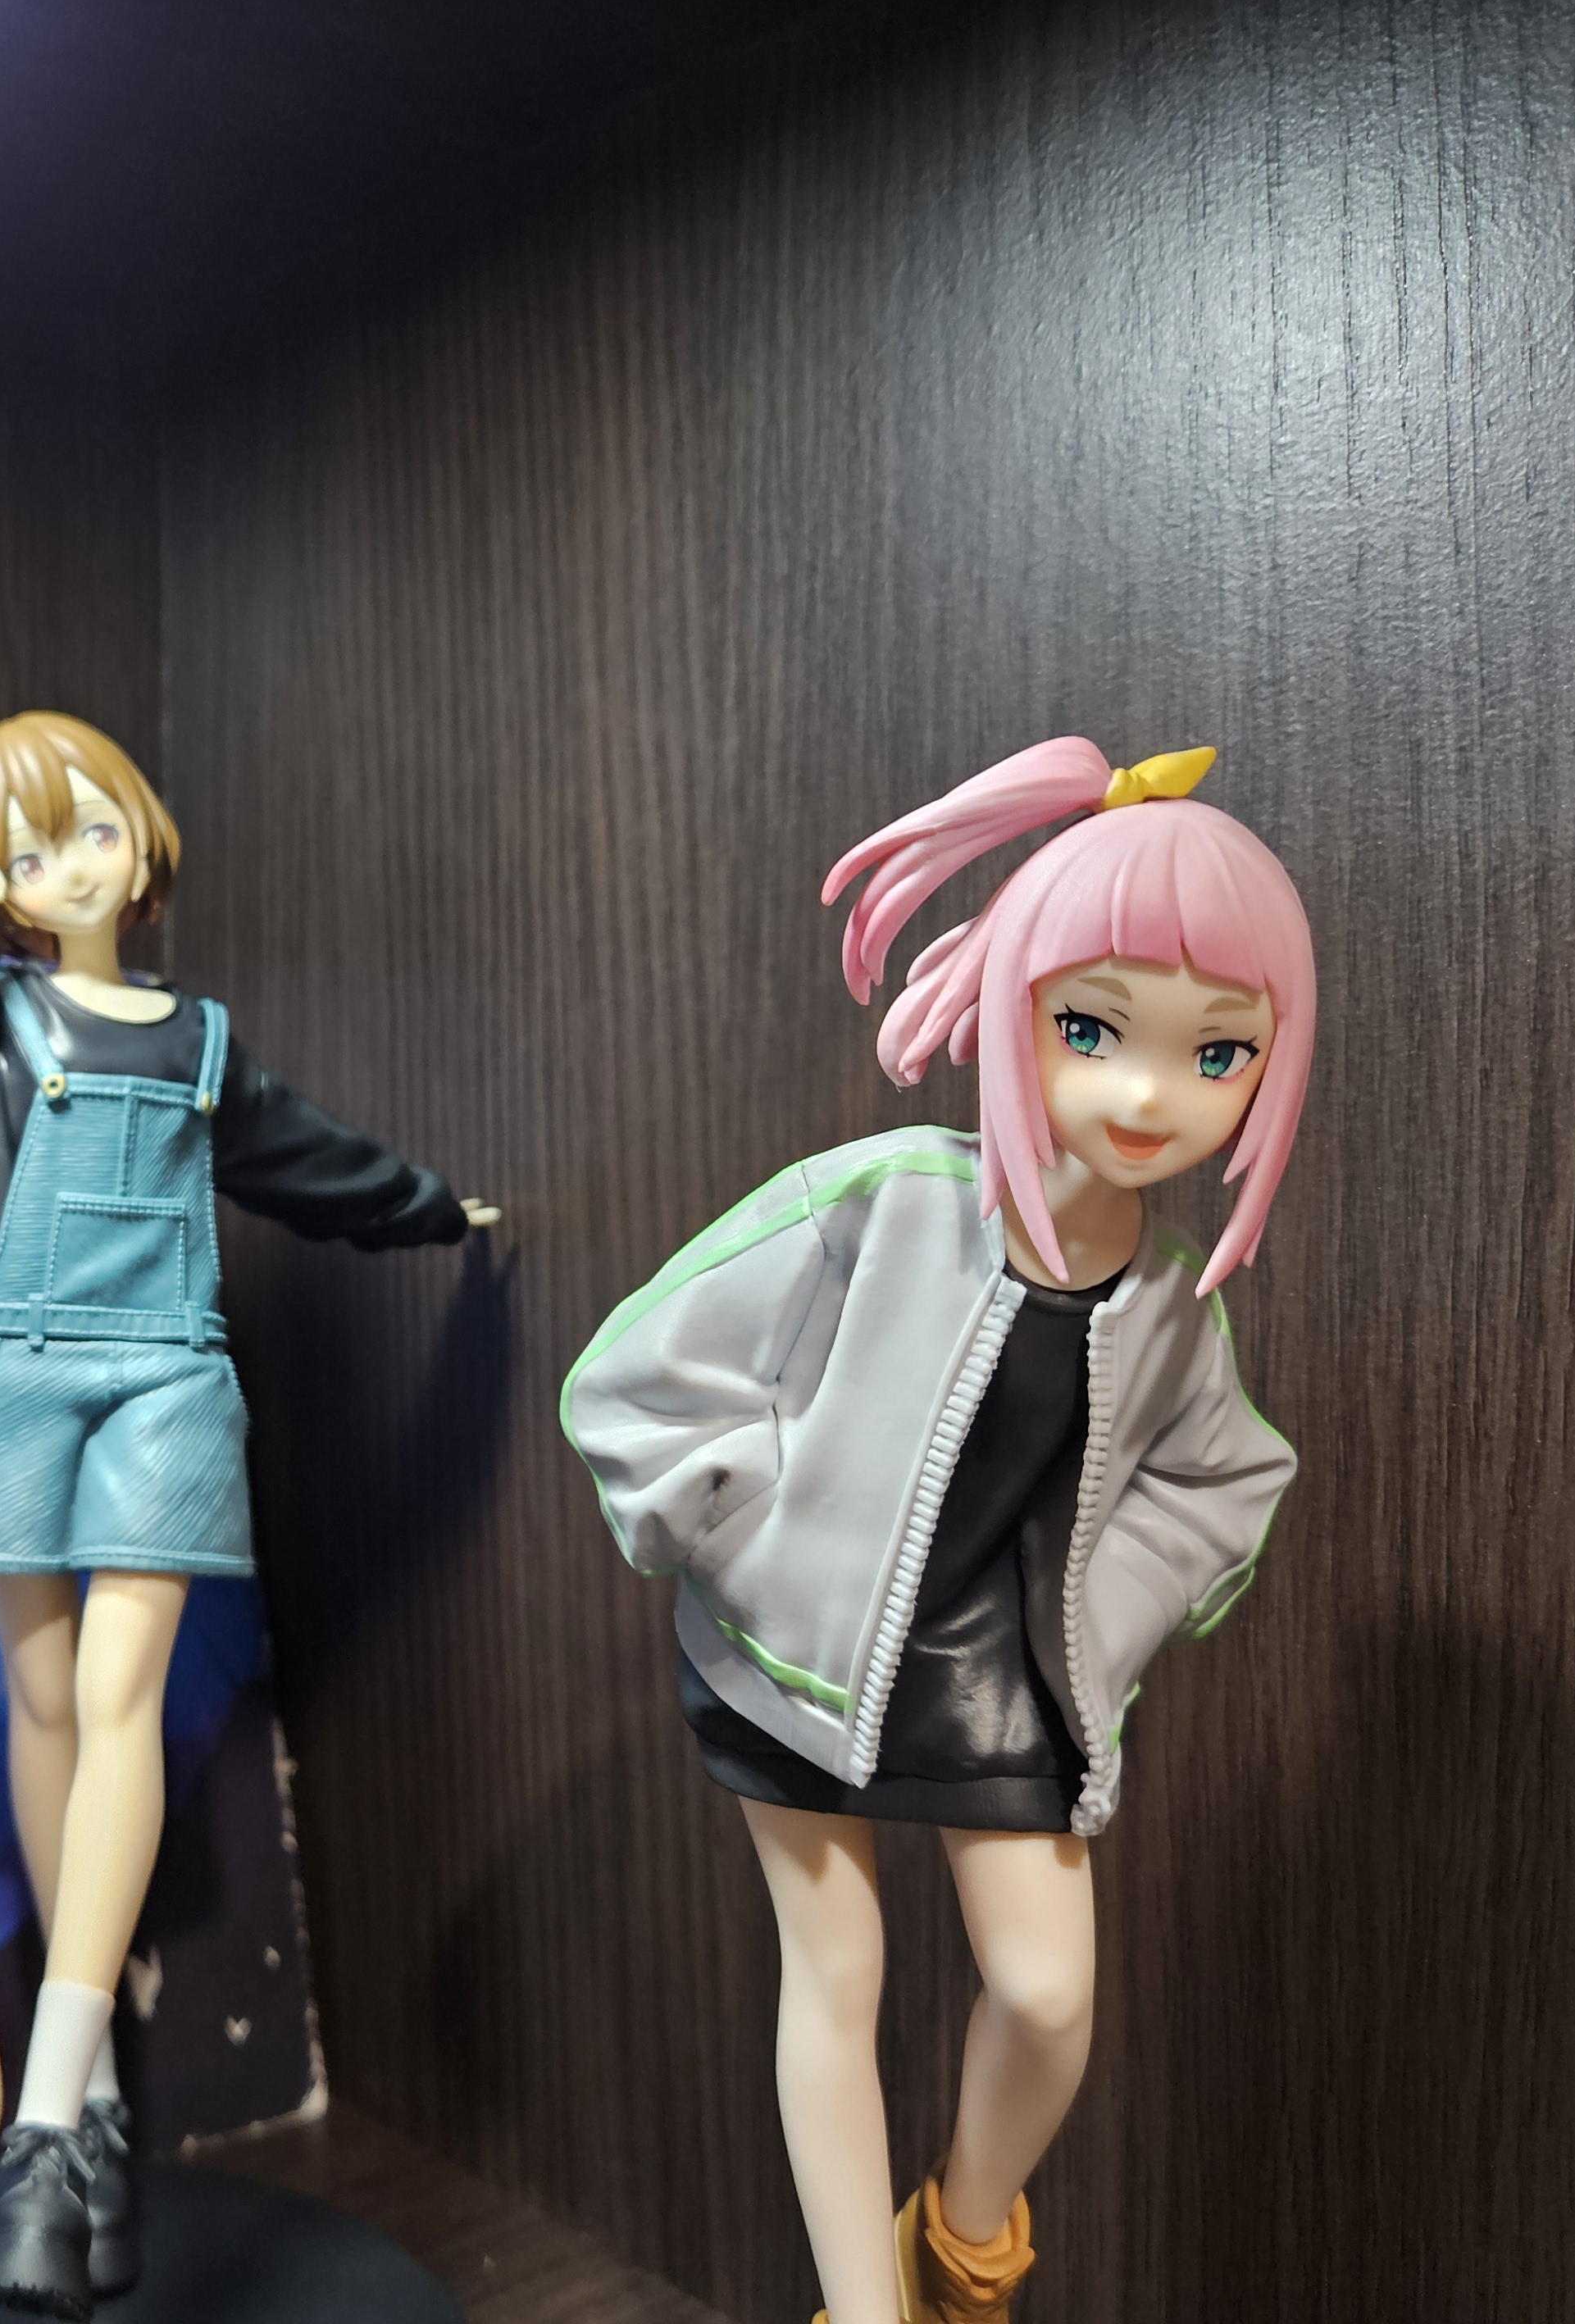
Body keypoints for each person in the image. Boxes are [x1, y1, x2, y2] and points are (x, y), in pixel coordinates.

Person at [563, 739, 1309, 2324]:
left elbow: (1221, 1482)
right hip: (798, 1657)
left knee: (1047, 1996)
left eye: (1217, 1052)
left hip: (998, 1671)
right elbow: (641, 1373)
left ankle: (961, 2256)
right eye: (1091, 1028)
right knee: (834, 1977)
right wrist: (754, 1546)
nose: (1147, 1094)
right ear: (1013, 1002)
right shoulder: (887, 1196)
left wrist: (1101, 1623)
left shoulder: (1169, 1306)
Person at [0, 709, 496, 2317]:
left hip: (162, 1383)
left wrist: (426, 1211)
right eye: (25, 846)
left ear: (138, 835)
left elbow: (308, 1160)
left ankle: (47, 2118)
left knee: (115, 1695)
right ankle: (104, 2106)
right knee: (46, 1703)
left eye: (89, 828)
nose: (67, 866)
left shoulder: (200, 1045)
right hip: (12, 1372)